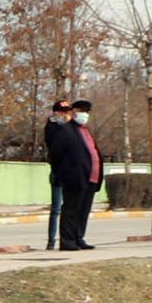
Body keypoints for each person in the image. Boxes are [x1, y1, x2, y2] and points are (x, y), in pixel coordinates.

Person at [43, 97, 101, 251]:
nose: (84, 114)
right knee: (70, 209)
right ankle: (67, 240)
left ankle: (78, 237)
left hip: (90, 177)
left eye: (87, 112)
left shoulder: (85, 130)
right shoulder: (65, 129)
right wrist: (63, 172)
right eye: (81, 111)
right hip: (75, 177)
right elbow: (56, 153)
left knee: (83, 209)